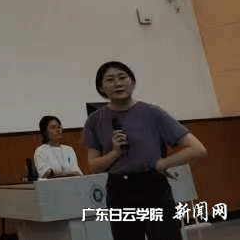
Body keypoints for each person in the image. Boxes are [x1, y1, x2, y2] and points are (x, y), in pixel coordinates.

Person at [82, 61, 207, 240]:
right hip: (120, 190)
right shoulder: (95, 120)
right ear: (101, 88)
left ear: (132, 82)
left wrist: (163, 163)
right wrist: (115, 153)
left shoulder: (152, 112)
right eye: (110, 79)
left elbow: (197, 148)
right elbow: (93, 166)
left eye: (122, 77)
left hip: (153, 186)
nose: (118, 83)